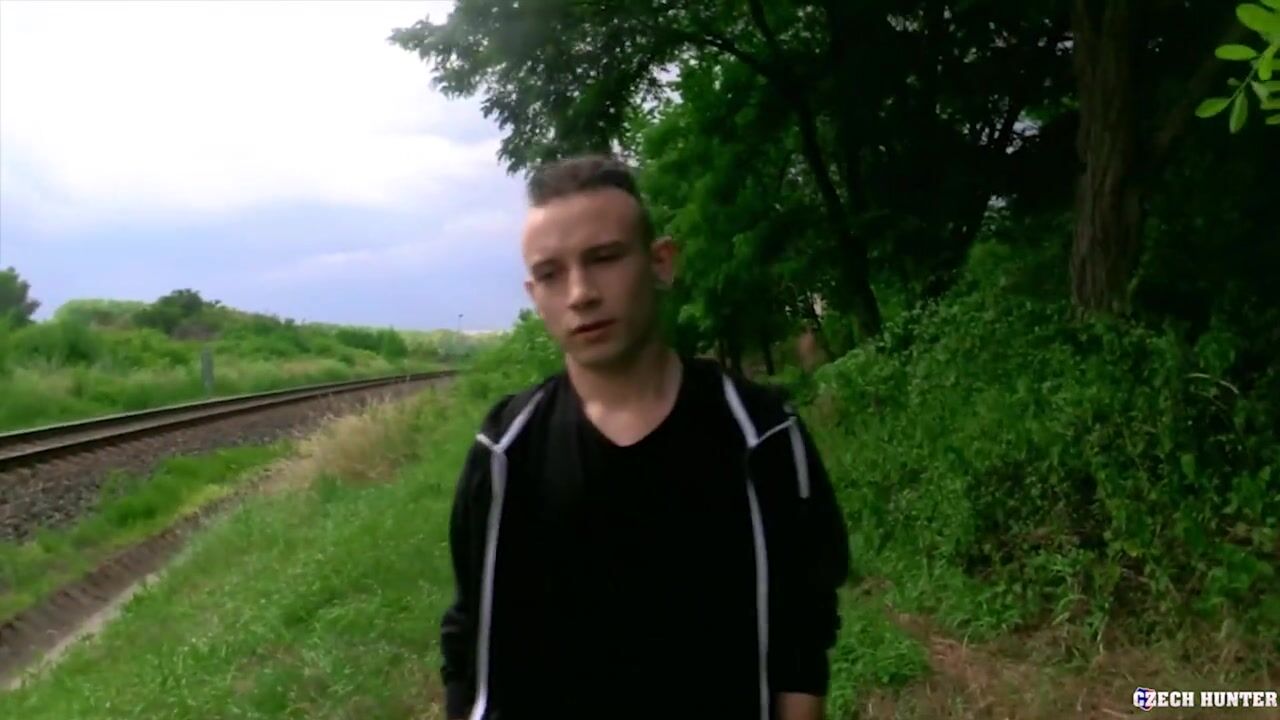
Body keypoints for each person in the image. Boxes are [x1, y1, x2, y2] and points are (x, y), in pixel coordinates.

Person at [440, 154, 851, 720]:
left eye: (605, 258)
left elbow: (802, 635)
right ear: (534, 295)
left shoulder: (763, 437)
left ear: (661, 263)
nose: (581, 293)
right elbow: (469, 642)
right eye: (552, 274)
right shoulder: (505, 454)